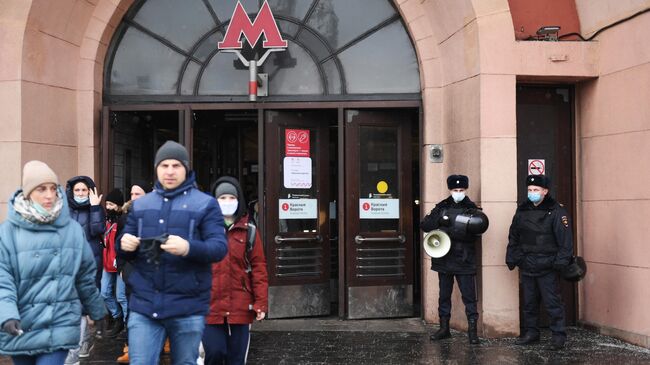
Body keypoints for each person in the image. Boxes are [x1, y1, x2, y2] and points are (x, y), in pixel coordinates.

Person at [117, 140, 228, 365]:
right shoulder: (140, 205)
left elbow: (219, 247)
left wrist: (188, 248)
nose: (169, 171)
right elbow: (124, 250)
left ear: (186, 168)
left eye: (175, 165)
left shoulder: (205, 204)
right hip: (145, 304)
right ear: (156, 169)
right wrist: (124, 244)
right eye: (164, 165)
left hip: (187, 305)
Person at [0, 161, 107, 365]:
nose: (49, 195)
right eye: (41, 189)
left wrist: (97, 311)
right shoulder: (7, 233)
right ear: (28, 193)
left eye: (53, 188)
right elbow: (3, 281)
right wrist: (6, 315)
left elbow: (84, 278)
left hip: (59, 325)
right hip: (22, 326)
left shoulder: (72, 230)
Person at [204, 177, 268, 365]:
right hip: (210, 305)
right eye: (222, 198)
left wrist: (261, 303)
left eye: (231, 197)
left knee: (236, 359)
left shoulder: (249, 232)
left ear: (238, 200)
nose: (227, 202)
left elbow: (259, 268)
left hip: (240, 305)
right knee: (214, 352)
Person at [506, 174, 573, 350]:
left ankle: (558, 336)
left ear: (545, 191)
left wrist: (560, 263)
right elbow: (514, 235)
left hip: (548, 265)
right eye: (529, 190)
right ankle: (531, 333)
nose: (532, 193)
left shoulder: (556, 211)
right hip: (527, 264)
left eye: (536, 190)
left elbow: (565, 241)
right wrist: (513, 257)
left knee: (552, 303)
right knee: (529, 303)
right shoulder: (522, 210)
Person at [420, 174, 483, 344]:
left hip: (464, 259)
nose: (458, 192)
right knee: (444, 295)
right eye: (455, 190)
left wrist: (453, 230)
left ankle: (472, 332)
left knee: (469, 296)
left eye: (461, 190)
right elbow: (425, 225)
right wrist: (438, 221)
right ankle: (444, 328)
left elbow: (476, 232)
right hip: (444, 259)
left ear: (466, 190)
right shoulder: (441, 207)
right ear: (450, 190)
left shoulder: (471, 209)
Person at [64, 176, 105, 364]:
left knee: (81, 306)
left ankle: (78, 347)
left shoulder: (95, 208)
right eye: (77, 191)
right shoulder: (64, 209)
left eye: (84, 190)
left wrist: (95, 207)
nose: (80, 194)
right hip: (68, 263)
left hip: (90, 263)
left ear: (90, 191)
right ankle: (79, 344)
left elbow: (98, 230)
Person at [116, 181, 151, 364]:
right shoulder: (125, 217)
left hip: (150, 271)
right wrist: (122, 269)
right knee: (132, 310)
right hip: (132, 271)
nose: (134, 197)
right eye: (132, 194)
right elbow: (118, 244)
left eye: (138, 194)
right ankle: (130, 347)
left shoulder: (154, 214)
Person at [101, 189, 128, 338]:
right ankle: (117, 317)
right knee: (104, 292)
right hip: (107, 262)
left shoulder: (123, 221)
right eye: (107, 204)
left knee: (121, 296)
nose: (108, 207)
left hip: (119, 263)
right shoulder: (105, 220)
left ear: (118, 205)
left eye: (111, 204)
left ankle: (126, 323)